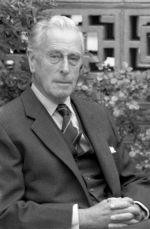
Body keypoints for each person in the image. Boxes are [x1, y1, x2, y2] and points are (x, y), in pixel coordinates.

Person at [0, 15, 150, 229]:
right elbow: (6, 213)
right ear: (32, 60)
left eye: (73, 58)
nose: (65, 68)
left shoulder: (98, 114)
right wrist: (85, 218)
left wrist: (136, 207)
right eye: (55, 56)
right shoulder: (6, 124)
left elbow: (135, 179)